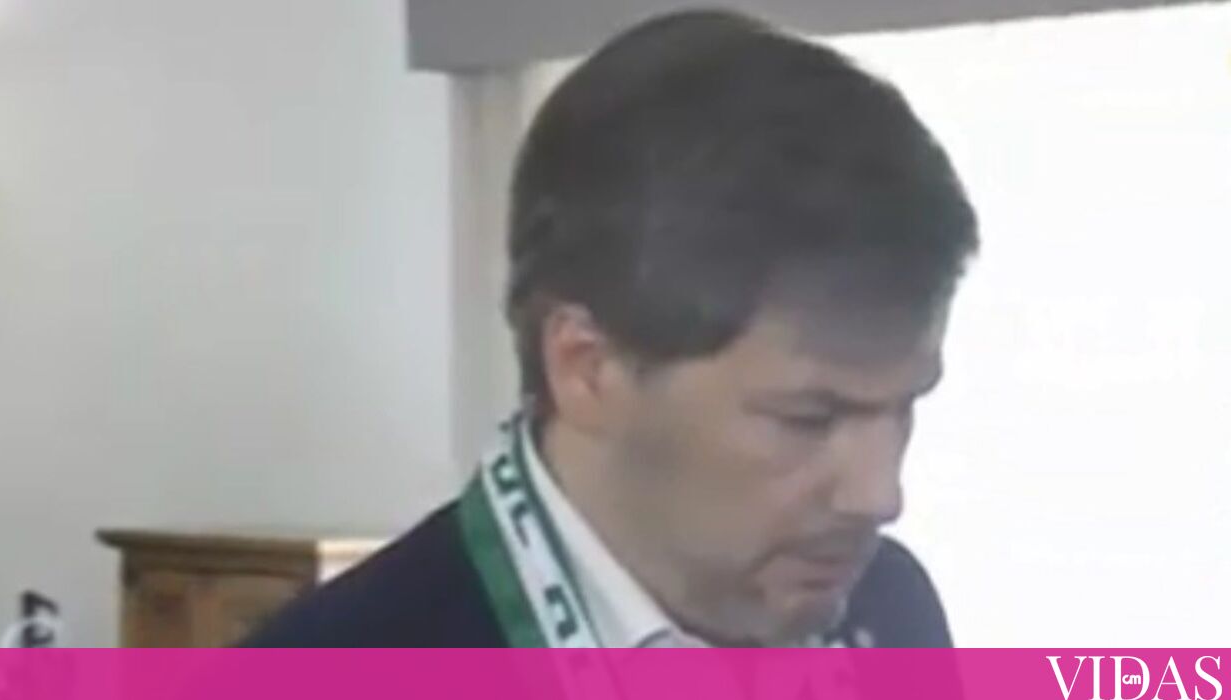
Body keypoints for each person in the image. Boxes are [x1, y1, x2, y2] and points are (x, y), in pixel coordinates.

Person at [244, 8, 978, 648]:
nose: (880, 494)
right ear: (587, 368)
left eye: (904, 407)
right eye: (808, 419)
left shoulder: (888, 612)